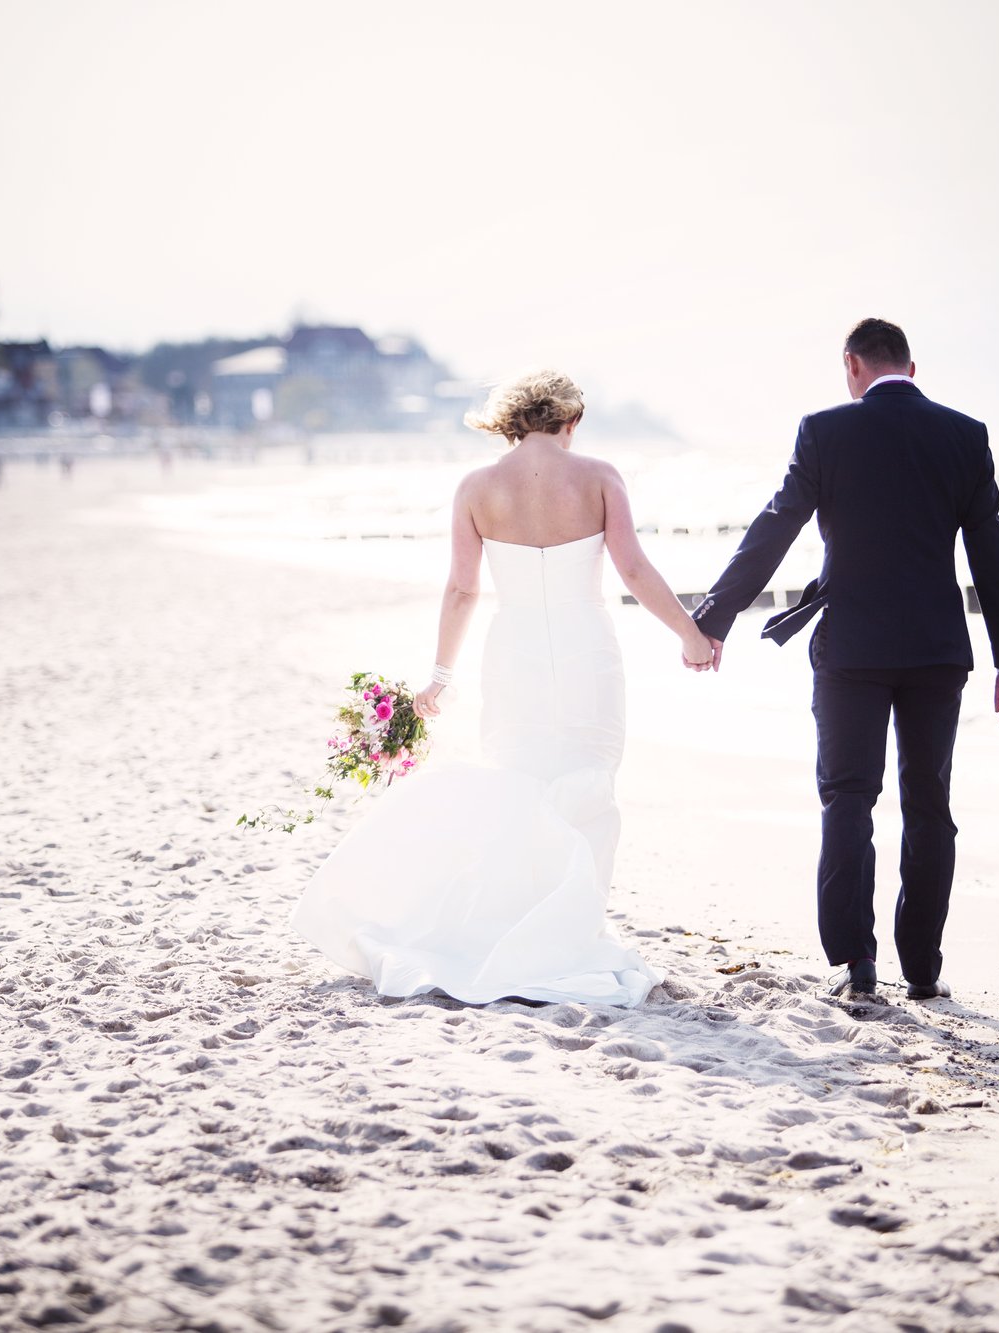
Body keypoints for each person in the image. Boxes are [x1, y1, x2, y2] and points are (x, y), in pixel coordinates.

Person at [291, 370, 713, 1005]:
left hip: (510, 651)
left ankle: (516, 920)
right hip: (585, 650)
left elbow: (462, 588)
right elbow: (632, 567)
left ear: (512, 424)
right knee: (590, 784)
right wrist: (691, 635)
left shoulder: (476, 487)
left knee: (519, 784)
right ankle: (571, 930)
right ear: (569, 421)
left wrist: (439, 675)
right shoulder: (599, 476)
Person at [691, 319, 999, 1002]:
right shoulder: (966, 434)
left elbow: (776, 527)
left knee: (848, 797)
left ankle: (855, 962)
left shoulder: (825, 431)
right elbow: (991, 552)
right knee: (929, 804)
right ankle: (924, 967)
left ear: (852, 365)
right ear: (912, 366)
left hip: (851, 649)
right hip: (938, 651)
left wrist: (715, 618)